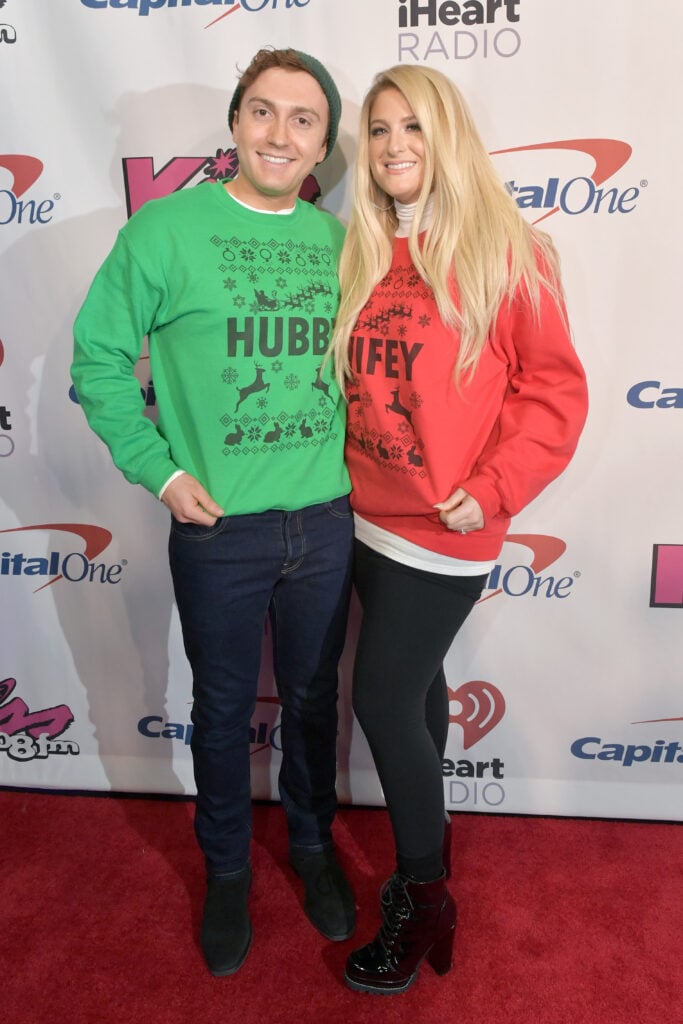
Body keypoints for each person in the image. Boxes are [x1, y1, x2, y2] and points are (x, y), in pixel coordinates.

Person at [71, 48, 356, 978]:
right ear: (235, 124)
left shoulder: (340, 245)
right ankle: (227, 869)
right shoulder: (163, 233)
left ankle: (311, 848)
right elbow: (97, 362)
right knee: (224, 706)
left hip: (323, 522)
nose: (281, 133)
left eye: (303, 118)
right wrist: (157, 472)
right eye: (263, 112)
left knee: (315, 703)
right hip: (217, 530)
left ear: (323, 140)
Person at [328, 65, 588, 995]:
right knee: (418, 690)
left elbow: (554, 389)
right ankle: (424, 847)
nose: (396, 144)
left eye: (416, 126)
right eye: (382, 126)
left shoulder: (505, 248)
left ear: (449, 137)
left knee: (382, 701)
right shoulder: (358, 248)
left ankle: (425, 891)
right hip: (357, 514)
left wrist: (496, 484)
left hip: (444, 526)